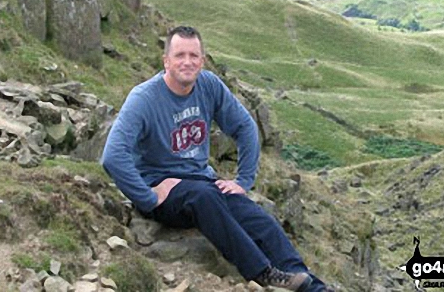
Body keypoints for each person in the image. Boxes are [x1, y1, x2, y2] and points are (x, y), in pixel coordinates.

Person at [102, 26, 333, 292]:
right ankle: (263, 272)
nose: (187, 62)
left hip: (203, 182)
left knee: (260, 220)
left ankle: (313, 287)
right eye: (179, 55)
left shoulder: (208, 85)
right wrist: (147, 197)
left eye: (193, 55)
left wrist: (243, 181)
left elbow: (245, 127)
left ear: (202, 60)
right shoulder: (144, 98)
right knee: (203, 195)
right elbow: (113, 156)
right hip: (164, 190)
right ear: (166, 60)